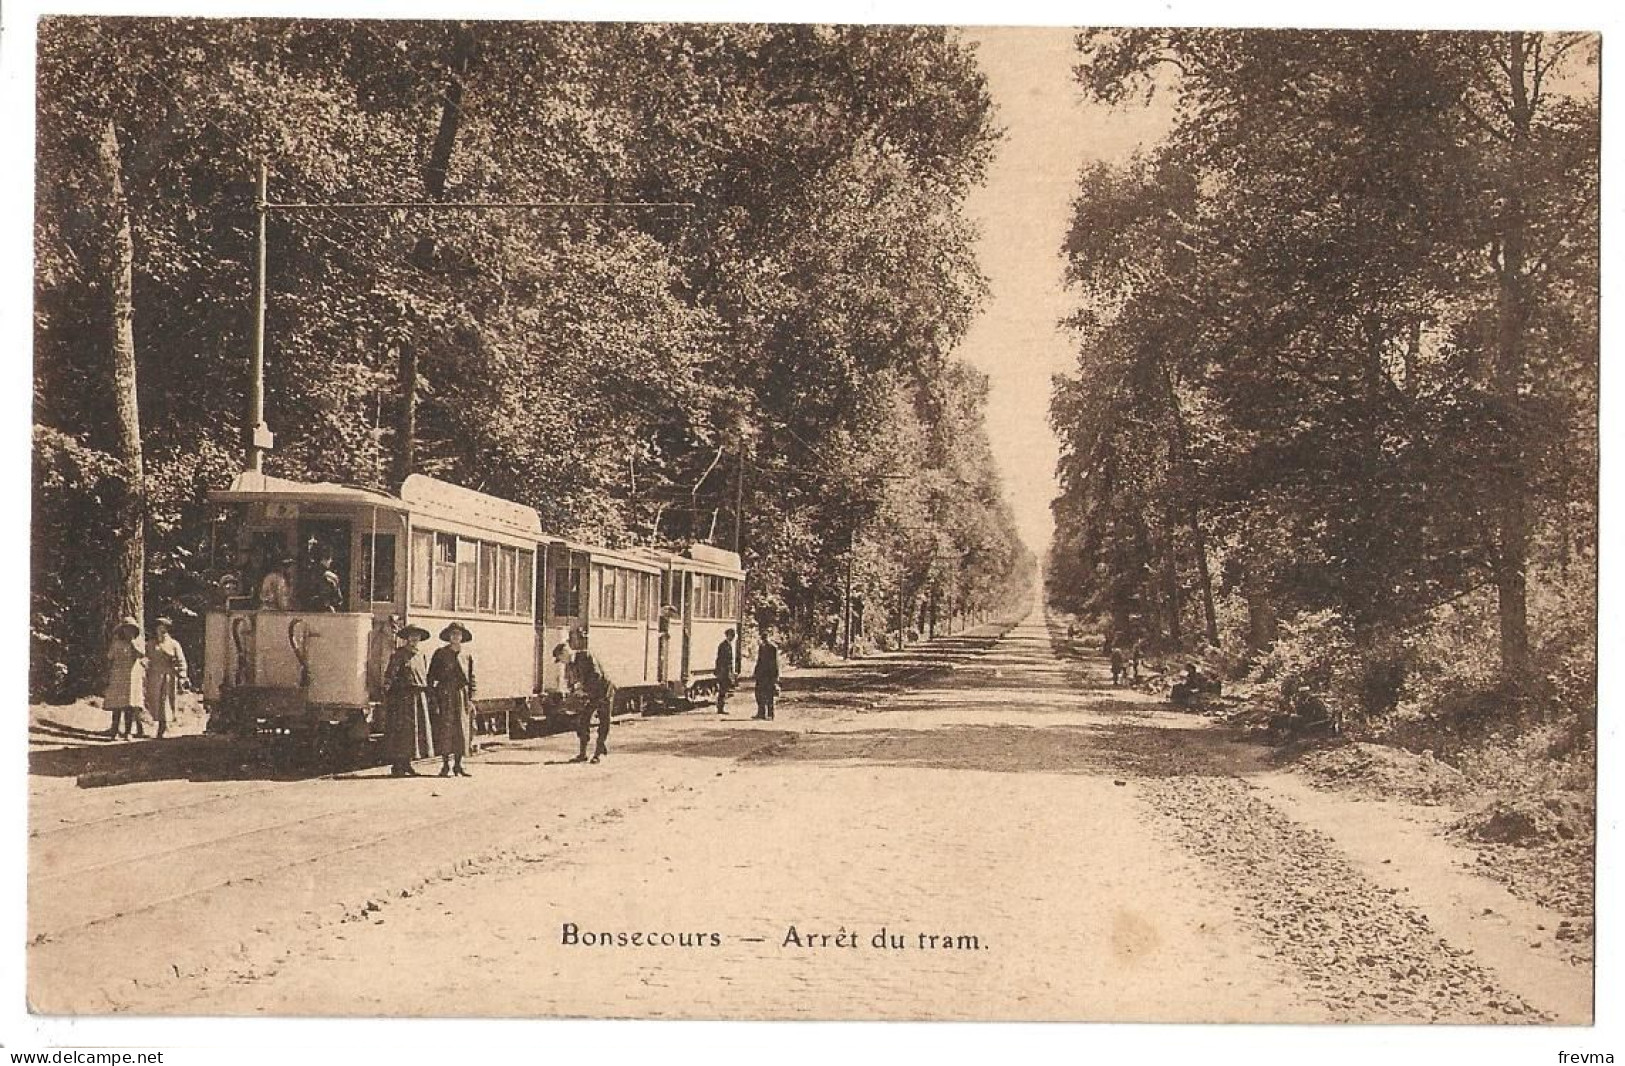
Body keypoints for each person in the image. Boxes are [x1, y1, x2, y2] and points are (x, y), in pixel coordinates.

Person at [382, 624, 433, 777]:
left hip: (419, 696)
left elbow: (425, 675)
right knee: (402, 731)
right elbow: (390, 674)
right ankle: (397, 766)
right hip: (403, 697)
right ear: (406, 638)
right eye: (411, 636)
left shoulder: (421, 655)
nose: (414, 639)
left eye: (417, 636)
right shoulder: (399, 655)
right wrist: (388, 689)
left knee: (415, 731)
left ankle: (408, 763)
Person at [428, 621, 476, 778]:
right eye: (453, 634)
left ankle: (458, 765)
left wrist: (471, 698)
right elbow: (431, 676)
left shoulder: (466, 656)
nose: (456, 637)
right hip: (445, 695)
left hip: (461, 696)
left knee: (461, 730)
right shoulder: (440, 654)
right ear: (448, 637)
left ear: (462, 637)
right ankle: (445, 765)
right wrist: (434, 697)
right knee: (445, 729)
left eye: (458, 634)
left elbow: (471, 678)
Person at [556, 641, 612, 764]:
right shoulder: (570, 665)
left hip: (604, 691)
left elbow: (596, 676)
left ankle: (598, 753)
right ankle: (582, 754)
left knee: (604, 722)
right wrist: (574, 691)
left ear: (565, 653)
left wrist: (583, 689)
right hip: (590, 694)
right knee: (583, 721)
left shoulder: (586, 656)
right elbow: (570, 682)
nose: (561, 662)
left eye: (560, 658)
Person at [144, 617, 189, 739]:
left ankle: (162, 728)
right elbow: (144, 657)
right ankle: (148, 725)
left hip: (167, 676)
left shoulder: (174, 644)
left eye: (164, 629)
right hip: (154, 676)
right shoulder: (150, 644)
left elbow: (181, 661)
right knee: (154, 700)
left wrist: (182, 675)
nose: (161, 631)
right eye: (159, 628)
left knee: (165, 701)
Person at [104, 616, 147, 740]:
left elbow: (141, 654)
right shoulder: (117, 643)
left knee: (130, 705)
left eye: (131, 629)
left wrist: (133, 643)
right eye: (126, 629)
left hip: (132, 676)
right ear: (122, 630)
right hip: (118, 675)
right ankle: (114, 730)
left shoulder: (138, 642)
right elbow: (110, 657)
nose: (129, 632)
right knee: (117, 705)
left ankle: (128, 732)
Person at [752, 628, 781, 721]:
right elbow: (759, 660)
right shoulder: (762, 646)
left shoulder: (773, 647)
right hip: (761, 675)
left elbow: (775, 663)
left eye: (765, 638)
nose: (764, 640)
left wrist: (776, 677)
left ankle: (770, 714)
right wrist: (756, 671)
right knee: (759, 694)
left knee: (769, 695)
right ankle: (761, 713)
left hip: (769, 675)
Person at [714, 628, 737, 714]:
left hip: (726, 670)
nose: (733, 638)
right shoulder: (723, 645)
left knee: (724, 689)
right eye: (732, 636)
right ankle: (720, 708)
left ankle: (721, 707)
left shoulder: (728, 645)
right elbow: (720, 659)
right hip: (723, 671)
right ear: (728, 635)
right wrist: (719, 670)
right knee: (722, 690)